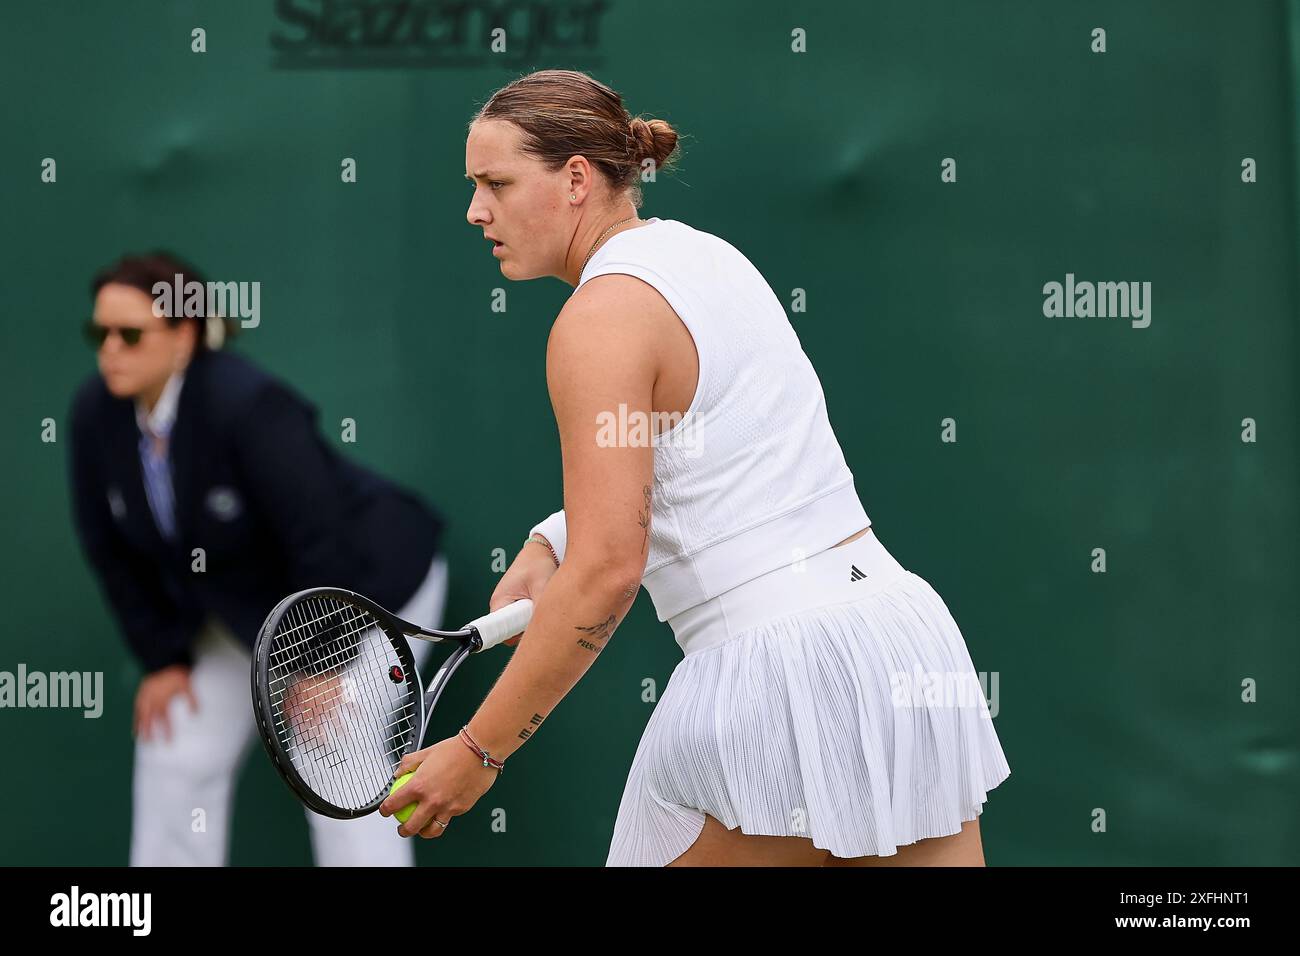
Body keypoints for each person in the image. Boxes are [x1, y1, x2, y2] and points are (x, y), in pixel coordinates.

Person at [377, 69, 1011, 867]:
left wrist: (478, 750)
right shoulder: (706, 258)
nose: (476, 210)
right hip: (898, 643)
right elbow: (711, 447)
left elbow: (609, 571)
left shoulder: (597, 320)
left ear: (576, 179)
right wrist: (551, 542)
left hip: (775, 680)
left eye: (496, 183)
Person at [68, 252, 449, 866]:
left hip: (365, 595)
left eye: (130, 334)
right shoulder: (96, 414)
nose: (110, 349)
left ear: (184, 335)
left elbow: (320, 538)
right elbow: (105, 546)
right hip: (246, 610)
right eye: (100, 333)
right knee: (176, 746)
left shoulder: (248, 404)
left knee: (333, 758)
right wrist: (162, 658)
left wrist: (322, 665)